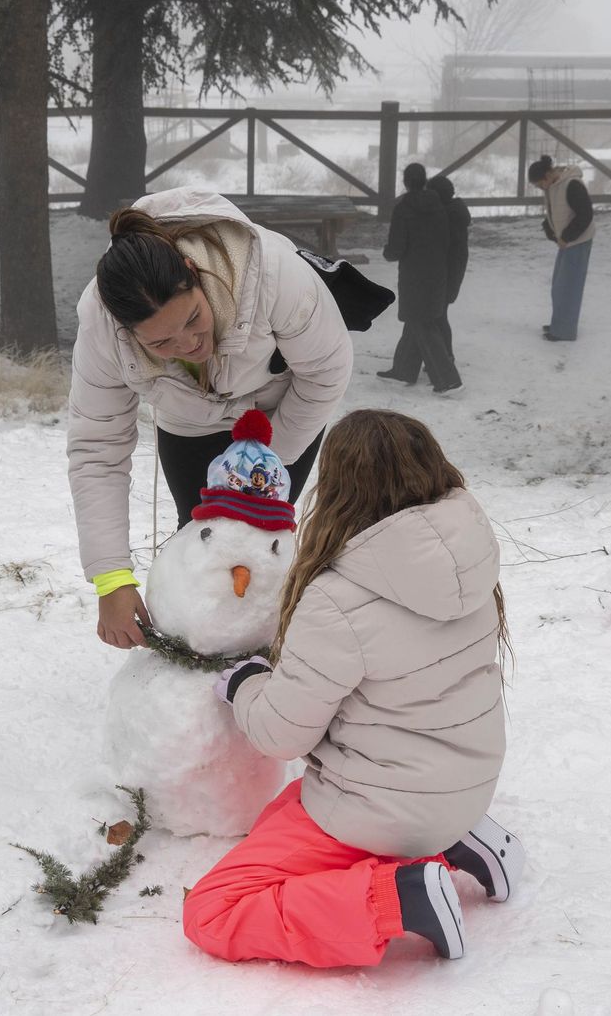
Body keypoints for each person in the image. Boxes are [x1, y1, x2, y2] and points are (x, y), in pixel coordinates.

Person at [184, 408, 522, 967]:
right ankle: (458, 841)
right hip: (463, 787)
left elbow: (281, 735)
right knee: (283, 811)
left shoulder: (338, 598)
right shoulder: (470, 558)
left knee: (213, 911)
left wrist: (246, 685)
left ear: (339, 489)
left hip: (384, 813)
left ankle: (403, 899)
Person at [67, 186, 353, 651]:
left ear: (193, 272)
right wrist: (111, 577)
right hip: (190, 423)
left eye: (193, 319)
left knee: (259, 536)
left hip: (280, 413)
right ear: (126, 331)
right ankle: (205, 653)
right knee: (203, 542)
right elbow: (97, 447)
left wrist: (258, 469)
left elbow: (327, 371)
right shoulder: (102, 327)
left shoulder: (273, 273)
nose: (188, 345)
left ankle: (268, 649)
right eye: (160, 343)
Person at [378, 163, 460, 394]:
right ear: (424, 181)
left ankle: (448, 380)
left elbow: (396, 249)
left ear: (406, 182)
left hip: (414, 276)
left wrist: (387, 252)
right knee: (417, 320)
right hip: (437, 273)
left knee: (422, 323)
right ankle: (403, 371)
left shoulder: (403, 209)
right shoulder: (439, 206)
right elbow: (447, 240)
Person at [529, 154, 596, 342]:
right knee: (559, 286)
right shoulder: (554, 186)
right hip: (568, 242)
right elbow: (557, 212)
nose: (541, 188)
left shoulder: (572, 185)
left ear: (548, 175)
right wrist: (550, 230)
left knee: (569, 288)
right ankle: (559, 324)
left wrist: (566, 237)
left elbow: (585, 214)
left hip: (578, 241)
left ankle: (564, 331)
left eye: (539, 184)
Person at [428, 172, 470, 366]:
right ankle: (440, 356)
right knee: (438, 315)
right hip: (449, 275)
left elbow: (440, 249)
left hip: (444, 277)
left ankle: (446, 357)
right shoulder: (454, 213)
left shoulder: (447, 218)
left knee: (438, 316)